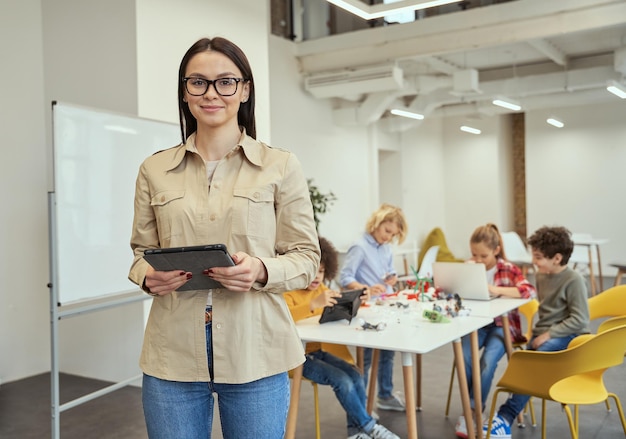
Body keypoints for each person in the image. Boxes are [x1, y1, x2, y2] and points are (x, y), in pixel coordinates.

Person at [128, 37, 320, 439]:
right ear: (185, 91)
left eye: (226, 82)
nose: (211, 93)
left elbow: (305, 258)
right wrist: (147, 276)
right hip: (172, 356)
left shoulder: (280, 166)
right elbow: (140, 251)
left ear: (245, 89)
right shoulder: (154, 169)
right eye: (197, 82)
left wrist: (262, 269)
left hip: (258, 353)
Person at [284, 237, 400, 439]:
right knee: (342, 381)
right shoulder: (289, 292)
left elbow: (341, 306)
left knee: (355, 374)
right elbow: (284, 317)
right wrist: (313, 304)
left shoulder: (323, 290)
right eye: (312, 271)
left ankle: (355, 433)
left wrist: (360, 299)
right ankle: (369, 427)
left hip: (318, 352)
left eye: (321, 271)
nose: (317, 277)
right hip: (296, 358)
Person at [483, 226, 590, 439]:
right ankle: (505, 415)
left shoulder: (574, 280)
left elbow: (580, 319)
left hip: (569, 336)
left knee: (536, 364)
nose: (534, 261)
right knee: (524, 364)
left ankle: (505, 417)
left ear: (557, 258)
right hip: (543, 334)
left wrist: (549, 335)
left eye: (538, 257)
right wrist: (538, 335)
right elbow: (545, 311)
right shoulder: (543, 275)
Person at [455, 224, 537, 438]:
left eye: (484, 255)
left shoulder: (508, 269)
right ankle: (470, 409)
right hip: (476, 324)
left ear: (496, 250)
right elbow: (451, 293)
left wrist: (496, 290)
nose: (479, 260)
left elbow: (529, 290)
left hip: (503, 326)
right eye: (474, 254)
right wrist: (463, 274)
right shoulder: (470, 267)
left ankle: (474, 410)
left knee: (487, 362)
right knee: (463, 356)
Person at [339, 203, 408, 411]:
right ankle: (361, 403)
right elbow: (345, 278)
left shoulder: (385, 248)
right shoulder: (359, 246)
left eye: (392, 235)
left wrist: (391, 277)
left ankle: (384, 396)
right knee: (366, 358)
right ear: (377, 223)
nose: (388, 237)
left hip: (384, 306)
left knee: (388, 353)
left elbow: (389, 271)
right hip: (366, 309)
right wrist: (366, 287)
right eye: (387, 231)